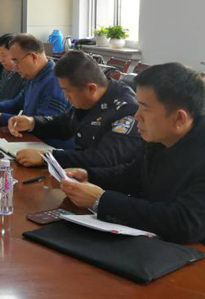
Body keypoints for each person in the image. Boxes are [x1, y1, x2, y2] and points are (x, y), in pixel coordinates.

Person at [60, 63, 205, 244]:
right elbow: (133, 175)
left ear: (179, 118)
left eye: (145, 108)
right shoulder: (161, 138)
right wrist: (90, 175)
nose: (137, 116)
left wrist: (101, 200)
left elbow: (185, 223)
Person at [8, 50, 143, 169]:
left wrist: (47, 158)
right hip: (80, 175)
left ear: (91, 88)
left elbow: (104, 158)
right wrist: (32, 122)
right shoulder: (89, 99)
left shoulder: (127, 110)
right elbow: (63, 124)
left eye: (67, 91)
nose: (65, 96)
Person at [0, 34, 69, 129]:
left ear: (33, 57)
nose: (15, 66)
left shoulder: (55, 81)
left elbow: (46, 123)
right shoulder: (33, 76)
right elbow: (16, 103)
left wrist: (3, 119)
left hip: (43, 138)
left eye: (16, 61)